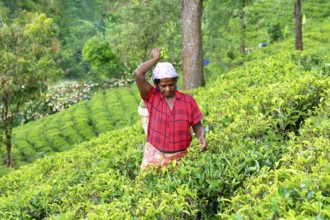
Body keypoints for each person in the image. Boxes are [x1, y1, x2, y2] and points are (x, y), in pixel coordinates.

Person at [134, 48, 207, 171]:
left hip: (181, 156)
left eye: (171, 84)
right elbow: (138, 74)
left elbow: (197, 125)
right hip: (154, 156)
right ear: (157, 85)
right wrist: (156, 59)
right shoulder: (152, 97)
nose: (168, 89)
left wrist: (201, 137)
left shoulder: (188, 100)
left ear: (176, 82)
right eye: (163, 86)